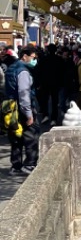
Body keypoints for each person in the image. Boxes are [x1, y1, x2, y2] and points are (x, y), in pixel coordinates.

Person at [5, 44, 40, 175]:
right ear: (24, 56)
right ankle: (29, 164)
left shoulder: (11, 68)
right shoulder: (23, 71)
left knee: (16, 136)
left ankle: (16, 165)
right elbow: (24, 93)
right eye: (33, 57)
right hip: (23, 107)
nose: (34, 60)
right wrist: (29, 114)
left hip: (11, 107)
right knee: (31, 136)